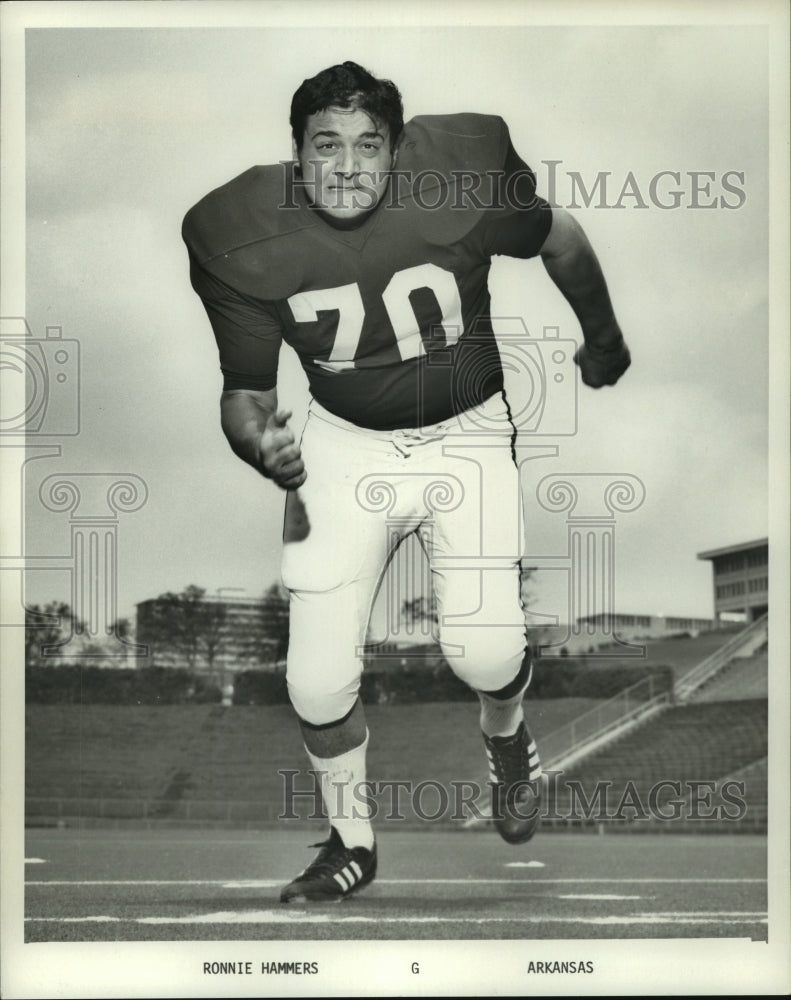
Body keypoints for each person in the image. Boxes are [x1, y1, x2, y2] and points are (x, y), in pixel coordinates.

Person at [182, 61, 630, 904]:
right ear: (294, 152)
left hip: (466, 432)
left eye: (366, 146)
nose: (347, 166)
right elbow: (245, 394)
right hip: (343, 444)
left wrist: (601, 340)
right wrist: (257, 445)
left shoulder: (461, 172)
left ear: (396, 150)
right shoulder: (234, 232)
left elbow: (561, 238)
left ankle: (505, 735)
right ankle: (351, 842)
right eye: (326, 146)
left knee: (486, 651)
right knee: (312, 679)